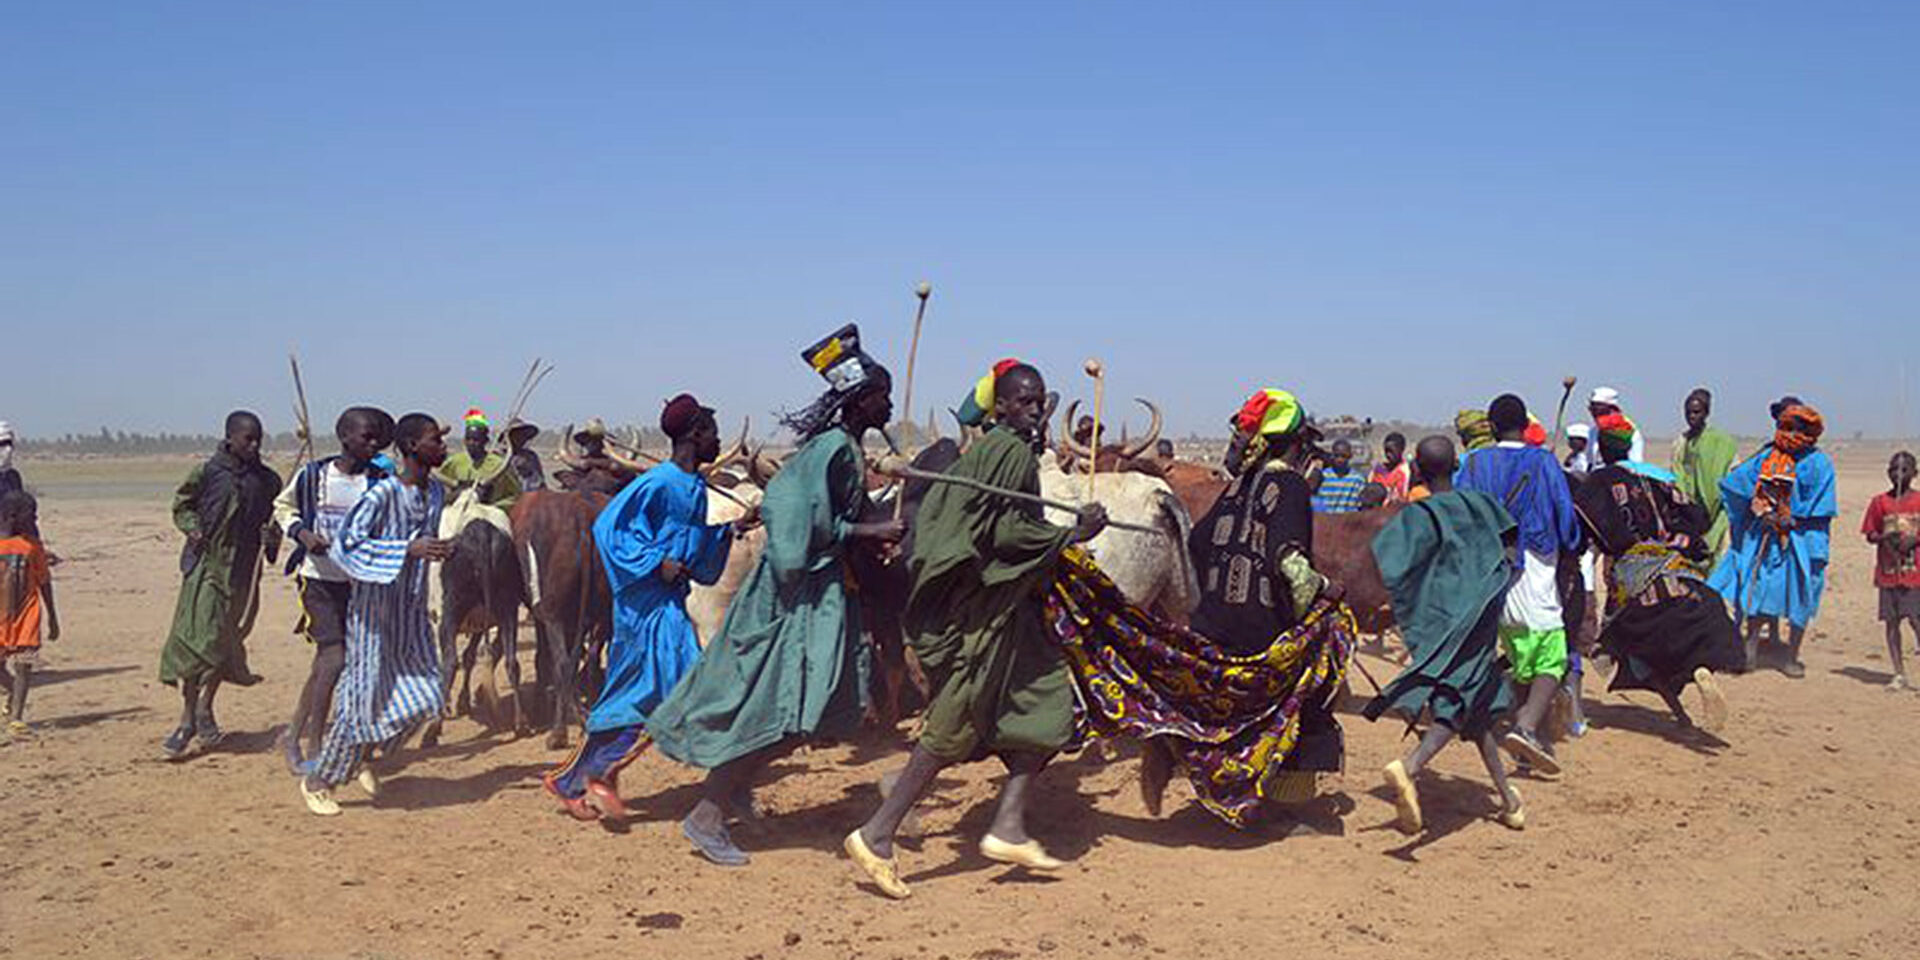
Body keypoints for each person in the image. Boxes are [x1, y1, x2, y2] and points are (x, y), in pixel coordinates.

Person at [647, 324, 903, 867]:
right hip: (796, 599)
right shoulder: (832, 449)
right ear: (860, 398)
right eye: (883, 392)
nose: (891, 402)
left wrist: (868, 533)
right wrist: (862, 533)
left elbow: (832, 516)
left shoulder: (847, 450)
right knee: (781, 709)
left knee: (806, 710)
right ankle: (707, 813)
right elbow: (791, 513)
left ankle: (734, 793)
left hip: (826, 594)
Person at [848, 360, 1106, 900]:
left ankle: (1009, 824)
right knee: (951, 725)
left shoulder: (989, 451)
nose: (1037, 409)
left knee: (1046, 709)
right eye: (1027, 401)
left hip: (1006, 614)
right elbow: (1007, 534)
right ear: (1004, 406)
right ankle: (877, 833)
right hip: (987, 618)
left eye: (1041, 401)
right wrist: (1070, 535)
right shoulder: (1009, 451)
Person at [1132, 387, 1348, 825]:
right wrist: (1328, 590)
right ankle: (1288, 803)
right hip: (1259, 631)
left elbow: (1196, 543)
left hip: (1214, 626)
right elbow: (1291, 566)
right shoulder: (1288, 486)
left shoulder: (1236, 487)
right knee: (1325, 658)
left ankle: (1176, 747)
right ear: (1293, 445)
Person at [542, 395, 760, 821]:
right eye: (713, 433)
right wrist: (655, 563)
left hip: (670, 607)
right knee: (663, 693)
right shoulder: (658, 482)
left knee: (649, 692)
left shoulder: (694, 486)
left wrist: (731, 529)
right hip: (644, 609)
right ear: (696, 434)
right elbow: (610, 529)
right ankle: (594, 775)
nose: (718, 441)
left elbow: (693, 542)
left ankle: (577, 779)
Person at [1364, 436, 1525, 833]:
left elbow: (1392, 566)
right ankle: (1412, 766)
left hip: (1442, 623)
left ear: (1417, 469)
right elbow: (1509, 554)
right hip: (1479, 618)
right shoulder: (1483, 505)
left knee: (1475, 704)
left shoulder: (1417, 518)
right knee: (1467, 700)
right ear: (1456, 465)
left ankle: (1508, 800)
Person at [299, 413, 454, 815]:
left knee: (428, 694)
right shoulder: (382, 495)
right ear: (410, 447)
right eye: (435, 440)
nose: (443, 447)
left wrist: (442, 548)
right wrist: (406, 550)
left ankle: (361, 755)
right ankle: (318, 781)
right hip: (374, 616)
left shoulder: (436, 493)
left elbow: (426, 540)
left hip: (413, 611)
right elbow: (346, 546)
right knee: (362, 701)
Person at [1573, 414, 1741, 731]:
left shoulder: (1598, 482)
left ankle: (1681, 714)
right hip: (1678, 568)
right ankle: (1699, 673)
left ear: (1602, 450)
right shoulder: (1657, 477)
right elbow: (1696, 516)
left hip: (1633, 577)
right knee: (1685, 635)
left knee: (1632, 649)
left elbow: (1586, 530)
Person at [1456, 394, 1583, 775]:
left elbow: (1462, 513)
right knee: (1553, 655)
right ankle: (1525, 727)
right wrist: (1573, 544)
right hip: (1535, 565)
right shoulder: (1543, 462)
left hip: (1489, 571)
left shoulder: (1474, 463)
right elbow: (1564, 515)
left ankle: (1531, 741)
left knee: (1519, 653)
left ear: (1491, 427)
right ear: (1525, 427)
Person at [272, 407, 391, 775]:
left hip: (361, 584)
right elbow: (282, 506)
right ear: (344, 437)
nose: (372, 444)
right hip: (318, 579)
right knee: (334, 658)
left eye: (377, 439)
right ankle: (315, 745)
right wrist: (302, 534)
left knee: (331, 664)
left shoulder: (379, 481)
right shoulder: (313, 476)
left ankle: (293, 735)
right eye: (366, 437)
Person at [159, 411, 283, 760]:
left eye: (259, 439)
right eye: (248, 439)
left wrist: (270, 537)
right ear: (230, 438)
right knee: (195, 643)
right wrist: (193, 528)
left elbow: (276, 525)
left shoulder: (269, 481)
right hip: (205, 568)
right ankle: (187, 720)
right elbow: (181, 505)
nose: (255, 445)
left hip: (243, 574)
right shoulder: (207, 472)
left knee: (223, 643)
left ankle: (205, 708)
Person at [1707, 399, 1835, 678]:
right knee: (1758, 593)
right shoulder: (1766, 457)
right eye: (1785, 427)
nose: (1790, 434)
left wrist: (1791, 517)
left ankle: (1791, 657)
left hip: (1802, 540)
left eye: (1796, 428)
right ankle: (1750, 653)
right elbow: (1735, 484)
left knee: (1800, 597)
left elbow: (1821, 504)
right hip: (1765, 538)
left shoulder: (1819, 463)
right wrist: (1760, 511)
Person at [1, 491, 58, 739]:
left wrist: (53, 618)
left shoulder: (34, 547)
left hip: (27, 615)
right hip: (2, 617)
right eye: (30, 514)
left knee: (24, 664)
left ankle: (16, 719)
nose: (34, 519)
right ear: (12, 516)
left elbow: (45, 582)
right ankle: (13, 690)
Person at [1861, 451, 1920, 690]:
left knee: (1916, 619)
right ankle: (1898, 673)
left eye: (1904, 470)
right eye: (1894, 470)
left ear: (1914, 474)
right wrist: (1885, 537)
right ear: (1888, 472)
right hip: (1888, 572)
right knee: (1892, 622)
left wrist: (1913, 541)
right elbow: (1870, 533)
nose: (1898, 475)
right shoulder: (1880, 503)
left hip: (1915, 572)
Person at [1670, 388, 1739, 560]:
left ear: (1706, 413)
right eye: (1688, 412)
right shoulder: (1681, 442)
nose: (1691, 416)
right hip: (1689, 510)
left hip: (1717, 512)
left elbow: (1732, 474)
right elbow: (1676, 472)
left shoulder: (1722, 442)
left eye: (1696, 412)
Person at [436, 408, 521, 510]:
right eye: (468, 439)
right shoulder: (455, 461)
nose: (471, 443)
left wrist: (494, 507)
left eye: (476, 440)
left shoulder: (498, 464)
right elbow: (437, 484)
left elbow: (515, 495)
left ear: (485, 441)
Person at [556, 418, 639, 495]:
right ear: (584, 443)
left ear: (604, 444)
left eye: (598, 440)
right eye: (588, 440)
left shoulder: (616, 464)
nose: (594, 443)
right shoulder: (579, 466)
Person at [1310, 439, 1365, 514]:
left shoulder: (1357, 479)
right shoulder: (1323, 476)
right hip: (1326, 521)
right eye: (1337, 456)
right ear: (1332, 455)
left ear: (1350, 456)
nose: (1340, 460)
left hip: (1348, 521)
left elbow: (1360, 505)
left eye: (1343, 456)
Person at [506, 419, 546, 494]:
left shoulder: (531, 456)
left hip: (533, 494)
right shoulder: (502, 456)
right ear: (509, 437)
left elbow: (540, 480)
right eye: (517, 434)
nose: (521, 438)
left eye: (523, 435)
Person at [1369, 432, 1411, 503]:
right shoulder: (1378, 470)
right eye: (1386, 451)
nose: (1388, 454)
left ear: (1401, 449)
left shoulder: (1407, 471)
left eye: (1391, 451)